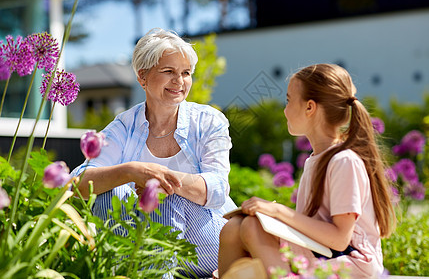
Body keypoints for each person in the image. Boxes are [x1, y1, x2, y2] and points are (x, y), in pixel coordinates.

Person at [71, 28, 237, 278]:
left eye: (186, 73)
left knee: (164, 195)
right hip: (141, 245)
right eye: (169, 71)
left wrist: (161, 179)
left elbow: (217, 189)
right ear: (142, 77)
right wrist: (130, 171)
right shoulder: (125, 125)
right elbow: (77, 183)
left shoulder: (209, 120)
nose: (179, 81)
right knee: (106, 191)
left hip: (210, 242)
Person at [218, 64, 396, 278]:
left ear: (310, 107)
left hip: (350, 262)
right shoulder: (316, 160)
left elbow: (340, 238)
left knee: (251, 227)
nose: (284, 109)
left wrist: (278, 211)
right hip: (324, 252)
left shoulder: (344, 161)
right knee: (233, 227)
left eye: (288, 100)